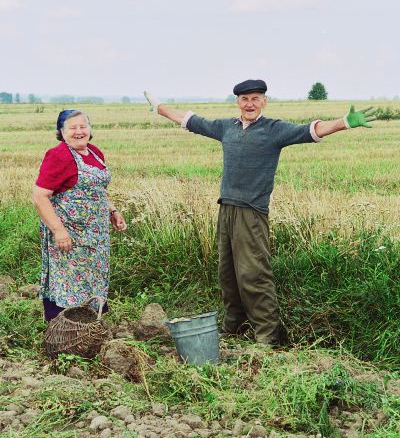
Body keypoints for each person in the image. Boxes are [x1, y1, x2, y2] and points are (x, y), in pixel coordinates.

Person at [144, 80, 376, 347]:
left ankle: (268, 336)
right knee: (228, 274)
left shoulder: (273, 130)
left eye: (255, 98)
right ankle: (233, 327)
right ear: (237, 102)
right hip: (227, 209)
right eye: (244, 99)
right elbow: (192, 121)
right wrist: (160, 108)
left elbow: (310, 130)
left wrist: (343, 122)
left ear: (264, 101)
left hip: (251, 213)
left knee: (253, 275)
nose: (250, 104)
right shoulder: (226, 128)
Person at [33, 109, 127, 321]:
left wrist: (113, 211)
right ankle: (66, 328)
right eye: (72, 127)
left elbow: (97, 190)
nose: (79, 132)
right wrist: (59, 231)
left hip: (96, 236)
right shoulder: (58, 156)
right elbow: (39, 196)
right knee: (70, 281)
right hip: (70, 236)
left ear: (90, 129)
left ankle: (90, 325)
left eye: (83, 126)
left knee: (94, 278)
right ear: (61, 132)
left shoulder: (94, 152)